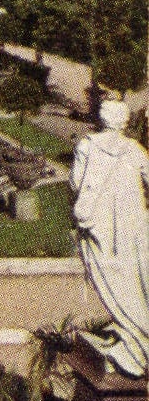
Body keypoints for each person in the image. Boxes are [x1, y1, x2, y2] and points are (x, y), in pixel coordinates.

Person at [70, 98, 149, 375]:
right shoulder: (135, 150)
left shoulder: (87, 146)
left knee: (110, 277)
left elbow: (76, 183)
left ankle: (131, 335)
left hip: (99, 226)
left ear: (103, 119)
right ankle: (134, 330)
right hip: (132, 225)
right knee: (132, 278)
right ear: (124, 121)